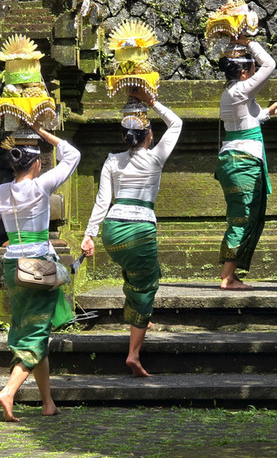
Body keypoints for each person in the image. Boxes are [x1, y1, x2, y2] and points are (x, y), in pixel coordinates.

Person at [81, 89, 182, 377]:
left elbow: (102, 200)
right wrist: (153, 102)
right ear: (148, 134)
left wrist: (89, 235)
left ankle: (141, 318)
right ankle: (134, 354)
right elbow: (176, 124)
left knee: (139, 275)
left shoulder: (112, 160)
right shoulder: (155, 158)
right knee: (146, 285)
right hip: (139, 229)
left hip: (112, 232)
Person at [0, 122, 80, 421]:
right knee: (37, 332)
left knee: (33, 329)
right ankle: (8, 391)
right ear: (36, 163)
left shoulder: (3, 191)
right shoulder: (42, 185)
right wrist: (43, 132)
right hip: (39, 267)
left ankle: (48, 402)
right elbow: (72, 154)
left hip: (12, 266)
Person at [215, 34, 277, 290]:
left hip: (236, 158)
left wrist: (269, 111)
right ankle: (227, 277)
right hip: (242, 161)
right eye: (251, 68)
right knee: (242, 217)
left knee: (245, 215)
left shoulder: (232, 92)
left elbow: (246, 121)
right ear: (245, 72)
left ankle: (231, 275)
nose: (256, 70)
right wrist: (249, 43)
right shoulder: (242, 89)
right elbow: (269, 64)